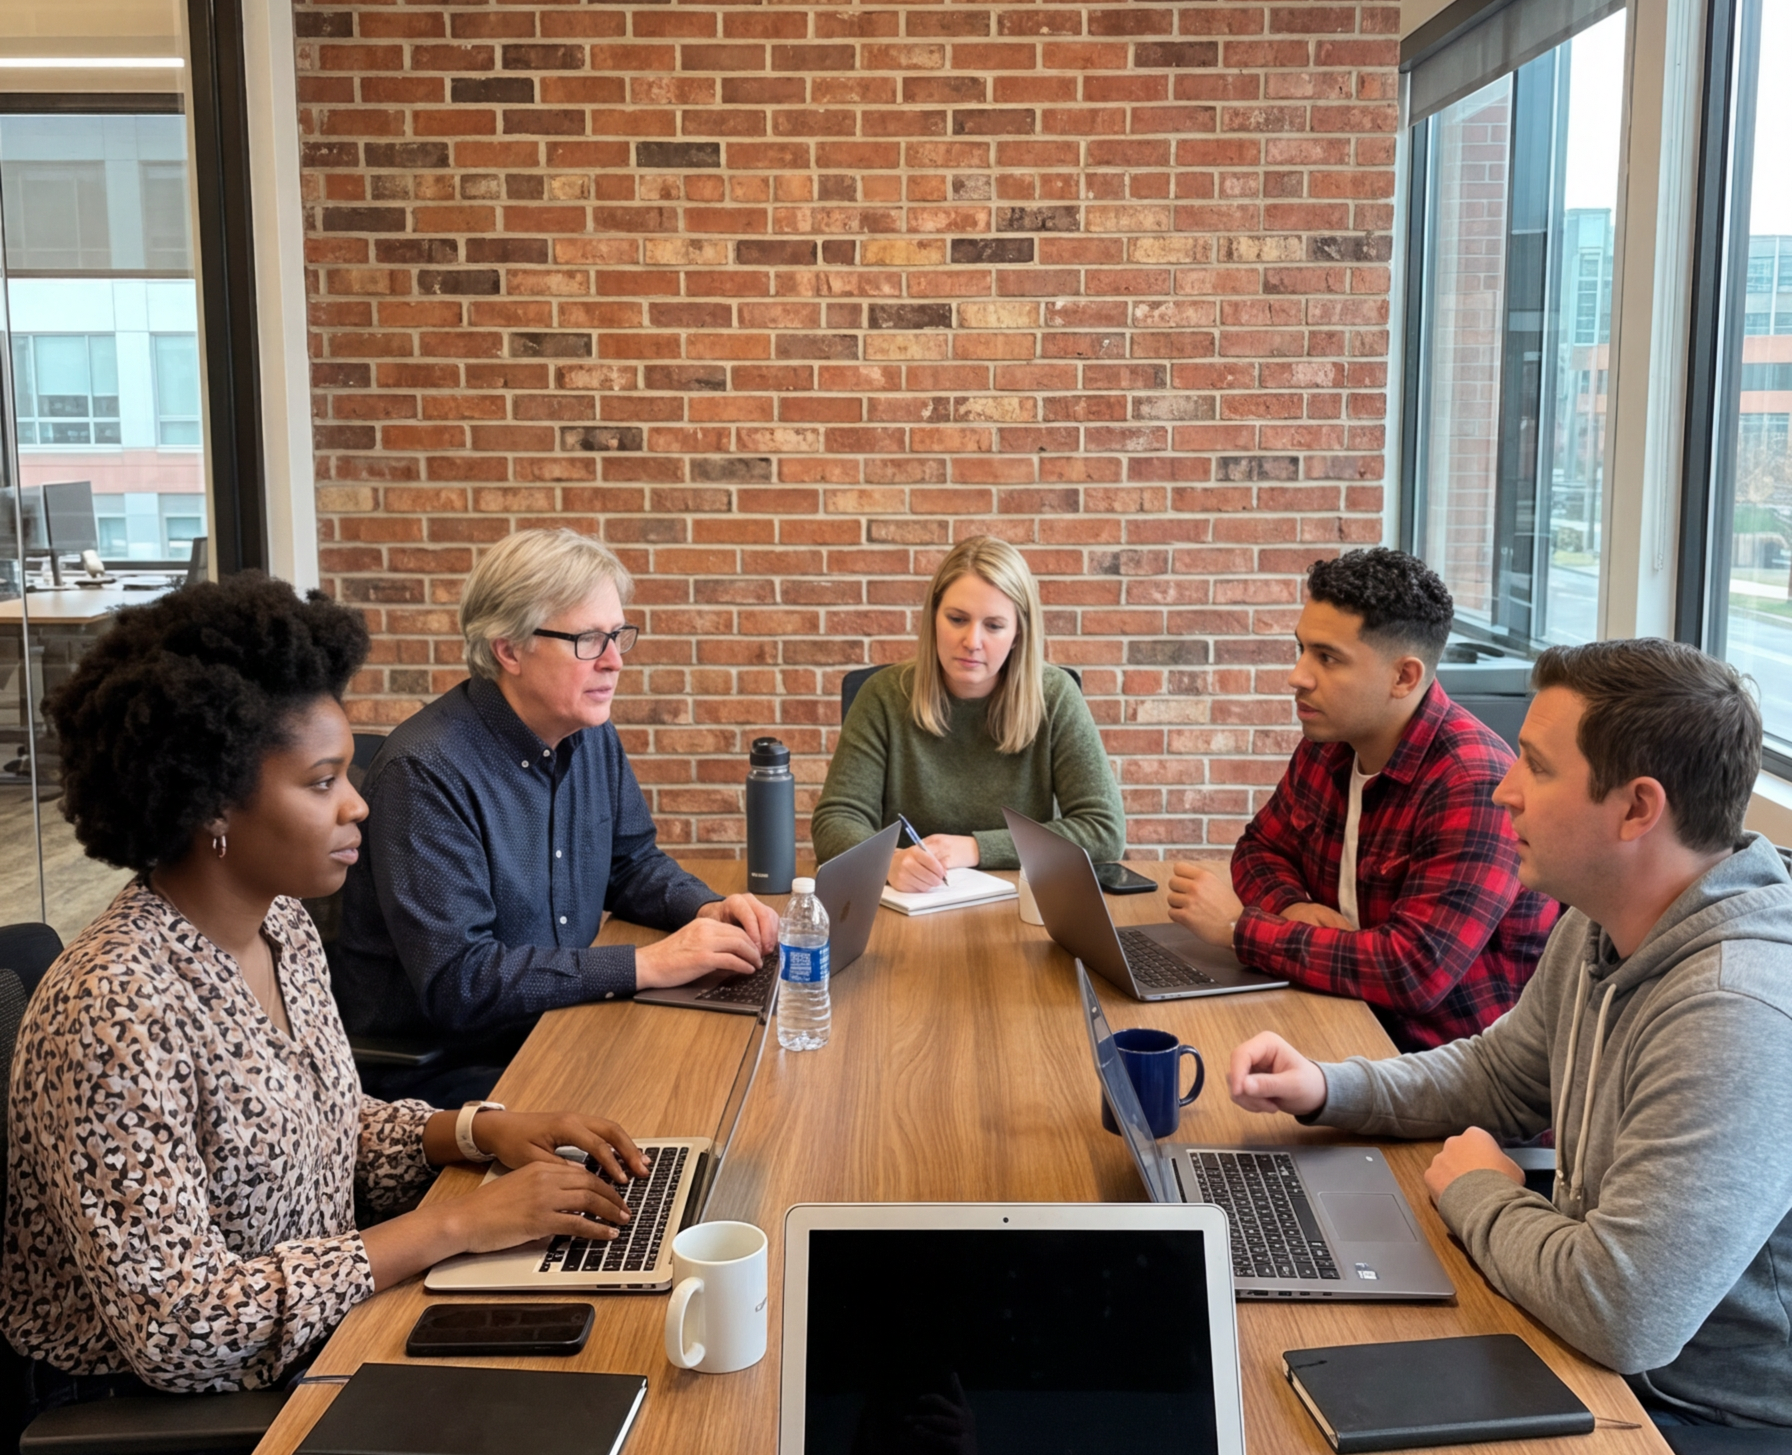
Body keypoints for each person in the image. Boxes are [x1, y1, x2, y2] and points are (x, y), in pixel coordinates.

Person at [0, 572, 649, 1455]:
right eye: (320, 782)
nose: (356, 803)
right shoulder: (115, 1009)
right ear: (211, 802)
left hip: (312, 1353)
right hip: (148, 1451)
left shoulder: (281, 927)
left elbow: (319, 1126)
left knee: (605, 1403)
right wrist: (450, 1225)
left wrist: (475, 1132)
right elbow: (183, 1329)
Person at [1227, 638, 1792, 1455]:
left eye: (1535, 765)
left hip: (1703, 1447)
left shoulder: (1735, 1009)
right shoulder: (1602, 918)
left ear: (1636, 808)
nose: (1503, 791)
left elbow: (1623, 1311)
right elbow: (1496, 1073)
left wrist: (1478, 1189)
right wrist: (1329, 1087)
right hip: (1596, 1370)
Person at [333, 531, 778, 1065]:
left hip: (561, 1024)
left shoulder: (587, 731)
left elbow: (631, 863)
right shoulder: (424, 772)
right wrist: (649, 964)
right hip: (460, 1072)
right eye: (589, 640)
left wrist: (707, 908)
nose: (614, 661)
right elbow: (461, 981)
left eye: (618, 635)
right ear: (509, 649)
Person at [1167, 547, 1555, 1049]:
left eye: (1327, 658)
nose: (1298, 676)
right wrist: (1289, 908)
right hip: (1336, 1020)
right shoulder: (1329, 745)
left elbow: (1414, 971)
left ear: (1404, 677)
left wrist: (1239, 927)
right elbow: (1260, 848)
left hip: (1437, 1070)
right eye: (1301, 649)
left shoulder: (1473, 782)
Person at [811, 535, 1124, 893]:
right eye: (957, 619)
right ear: (933, 618)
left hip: (1021, 905)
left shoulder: (1054, 696)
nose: (972, 641)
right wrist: (888, 861)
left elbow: (1104, 829)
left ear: (1018, 632)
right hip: (911, 906)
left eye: (993, 625)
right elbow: (835, 821)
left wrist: (975, 848)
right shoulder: (883, 696)